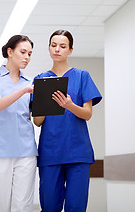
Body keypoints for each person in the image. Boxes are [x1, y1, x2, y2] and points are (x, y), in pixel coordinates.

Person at [33, 29, 102, 212]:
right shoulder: (41, 79)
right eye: (54, 45)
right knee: (49, 207)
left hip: (77, 152)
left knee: (76, 207)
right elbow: (37, 121)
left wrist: (69, 105)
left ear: (70, 50)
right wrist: (44, 102)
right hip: (50, 152)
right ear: (48, 48)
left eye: (63, 46)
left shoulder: (82, 76)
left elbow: (87, 114)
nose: (57, 49)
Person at [0, 35, 38, 212]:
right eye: (23, 52)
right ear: (10, 52)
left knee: (23, 205)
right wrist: (23, 91)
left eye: (30, 54)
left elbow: (36, 115)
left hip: (26, 150)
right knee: (0, 206)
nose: (27, 57)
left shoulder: (32, 82)